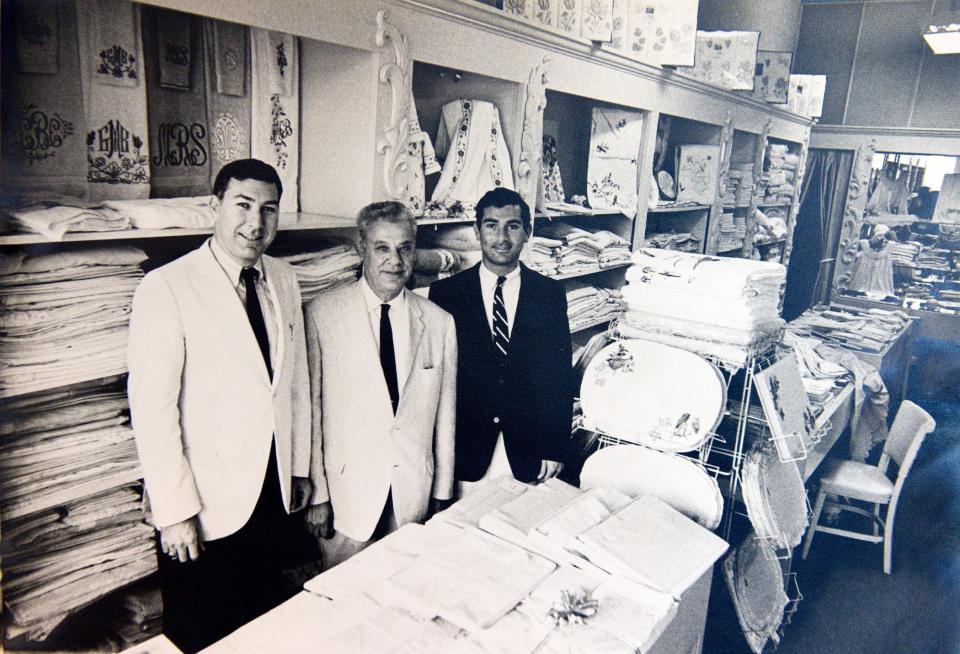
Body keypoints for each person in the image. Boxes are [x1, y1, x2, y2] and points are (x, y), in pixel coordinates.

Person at [127, 159, 314, 653]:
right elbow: (153, 410)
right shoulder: (168, 286)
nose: (256, 223)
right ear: (215, 207)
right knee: (201, 635)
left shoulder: (283, 278)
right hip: (204, 507)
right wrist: (173, 511)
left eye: (269, 210)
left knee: (263, 627)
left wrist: (298, 468)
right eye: (243, 205)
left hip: (271, 496)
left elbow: (293, 383)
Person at [303, 201, 456, 568]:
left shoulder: (439, 322)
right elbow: (312, 411)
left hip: (411, 495)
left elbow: (445, 416)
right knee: (340, 602)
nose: (395, 260)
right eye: (382, 248)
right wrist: (318, 496)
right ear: (361, 248)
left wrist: (442, 491)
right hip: (346, 498)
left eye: (404, 248)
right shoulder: (323, 314)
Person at [429, 187, 573, 492]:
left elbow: (558, 376)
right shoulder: (446, 294)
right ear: (477, 231)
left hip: (527, 451)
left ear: (527, 232)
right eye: (492, 225)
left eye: (513, 226)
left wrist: (554, 447)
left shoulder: (549, 295)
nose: (502, 237)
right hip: (465, 451)